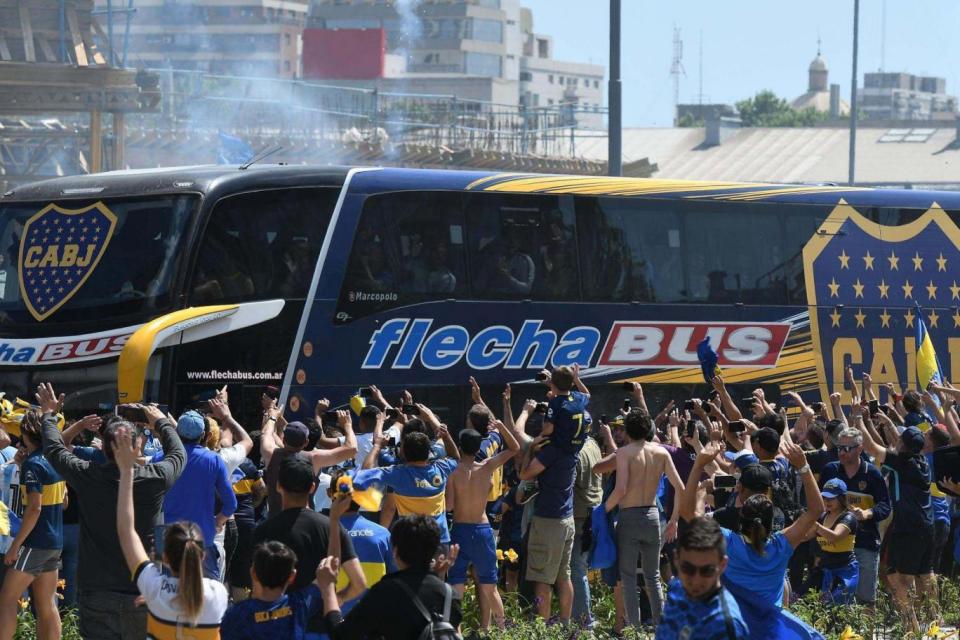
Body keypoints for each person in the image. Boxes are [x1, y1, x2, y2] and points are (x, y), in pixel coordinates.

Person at [38, 384, 186, 640]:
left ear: (102, 447)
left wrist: (49, 415)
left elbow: (53, 448)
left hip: (97, 591)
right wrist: (161, 422)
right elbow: (178, 453)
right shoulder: (156, 478)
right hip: (143, 590)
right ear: (138, 445)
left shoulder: (87, 475)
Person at [679, 441, 825, 608]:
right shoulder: (782, 544)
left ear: (739, 490)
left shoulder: (728, 541)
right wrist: (803, 467)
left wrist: (699, 464)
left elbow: (687, 513)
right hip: (770, 630)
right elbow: (816, 510)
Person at [113, 426, 228, 638]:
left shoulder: (154, 588)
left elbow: (126, 531)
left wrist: (127, 471)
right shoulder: (218, 593)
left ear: (164, 557)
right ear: (201, 555)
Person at [317, 514, 463, 640]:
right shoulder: (450, 595)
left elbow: (341, 635)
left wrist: (328, 588)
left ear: (395, 551)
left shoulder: (385, 592)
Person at [252, 454, 365, 612]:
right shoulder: (332, 527)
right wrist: (337, 599)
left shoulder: (263, 531)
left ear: (278, 486)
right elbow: (359, 583)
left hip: (280, 624)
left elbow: (257, 590)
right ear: (312, 487)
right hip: (320, 624)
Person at [604, 409, 684, 628]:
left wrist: (603, 510)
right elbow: (680, 487)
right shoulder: (661, 452)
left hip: (629, 516)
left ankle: (635, 630)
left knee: (628, 577)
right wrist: (674, 520)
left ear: (628, 430)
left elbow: (620, 490)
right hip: (652, 515)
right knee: (653, 576)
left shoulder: (624, 453)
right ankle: (660, 627)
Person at [859, 420, 937, 634]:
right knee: (925, 572)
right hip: (927, 524)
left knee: (895, 576)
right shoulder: (922, 461)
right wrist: (887, 423)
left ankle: (910, 625)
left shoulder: (901, 462)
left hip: (907, 525)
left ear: (902, 445)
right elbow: (898, 443)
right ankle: (935, 622)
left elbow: (871, 447)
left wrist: (858, 420)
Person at [445, 420, 518, 630]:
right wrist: (501, 427)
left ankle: (455, 633)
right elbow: (514, 448)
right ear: (479, 448)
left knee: (456, 586)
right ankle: (503, 632)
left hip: (459, 531)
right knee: (490, 587)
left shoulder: (453, 471)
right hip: (482, 530)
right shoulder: (487, 467)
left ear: (460, 446)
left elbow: (449, 505)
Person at [0, 410, 65, 640]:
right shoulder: (57, 459)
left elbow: (35, 508)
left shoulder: (33, 464)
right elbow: (64, 501)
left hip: (35, 542)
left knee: (7, 599)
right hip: (55, 542)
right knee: (48, 605)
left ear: (26, 435)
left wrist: (15, 546)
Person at [161, 409, 237, 580]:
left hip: (167, 539)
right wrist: (218, 521)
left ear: (177, 433)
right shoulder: (214, 460)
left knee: (167, 596)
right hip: (203, 538)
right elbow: (231, 504)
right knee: (207, 596)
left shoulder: (163, 457)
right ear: (204, 435)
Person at [818, 427, 890, 605]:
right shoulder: (830, 470)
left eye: (847, 448)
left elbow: (885, 506)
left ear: (860, 449)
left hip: (864, 541)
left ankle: (865, 634)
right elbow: (819, 503)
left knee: (865, 599)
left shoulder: (872, 473)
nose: (841, 452)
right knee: (832, 598)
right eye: (839, 448)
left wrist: (867, 513)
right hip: (834, 546)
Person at [655, 517, 749, 640]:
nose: (696, 580)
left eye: (707, 571)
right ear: (676, 560)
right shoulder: (677, 588)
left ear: (722, 565)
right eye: (688, 569)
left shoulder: (726, 624)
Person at [261, 405, 357, 517]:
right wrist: (348, 426)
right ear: (306, 442)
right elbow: (352, 449)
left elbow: (265, 434)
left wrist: (273, 417)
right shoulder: (314, 458)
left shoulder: (271, 453)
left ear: (283, 439)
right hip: (306, 520)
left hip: (276, 520)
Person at [220, 541, 326, 640]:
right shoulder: (299, 604)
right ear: (292, 576)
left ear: (253, 573)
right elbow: (323, 580)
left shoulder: (237, 613)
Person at [571, 421, 604, 628]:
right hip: (593, 513)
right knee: (581, 569)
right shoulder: (593, 444)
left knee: (577, 570)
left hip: (580, 516)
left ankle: (584, 621)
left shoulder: (575, 452)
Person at [813, 478, 859, 604]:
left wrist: (815, 525)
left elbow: (835, 536)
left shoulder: (849, 517)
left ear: (841, 498)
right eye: (825, 497)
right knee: (815, 604)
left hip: (845, 571)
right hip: (826, 569)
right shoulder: (822, 517)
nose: (827, 501)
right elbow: (805, 536)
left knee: (836, 607)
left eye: (831, 498)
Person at [541, 364, 590, 454]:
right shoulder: (577, 397)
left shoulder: (555, 402)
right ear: (572, 383)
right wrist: (576, 379)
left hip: (560, 448)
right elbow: (587, 395)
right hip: (577, 446)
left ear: (553, 384)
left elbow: (548, 430)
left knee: (529, 462)